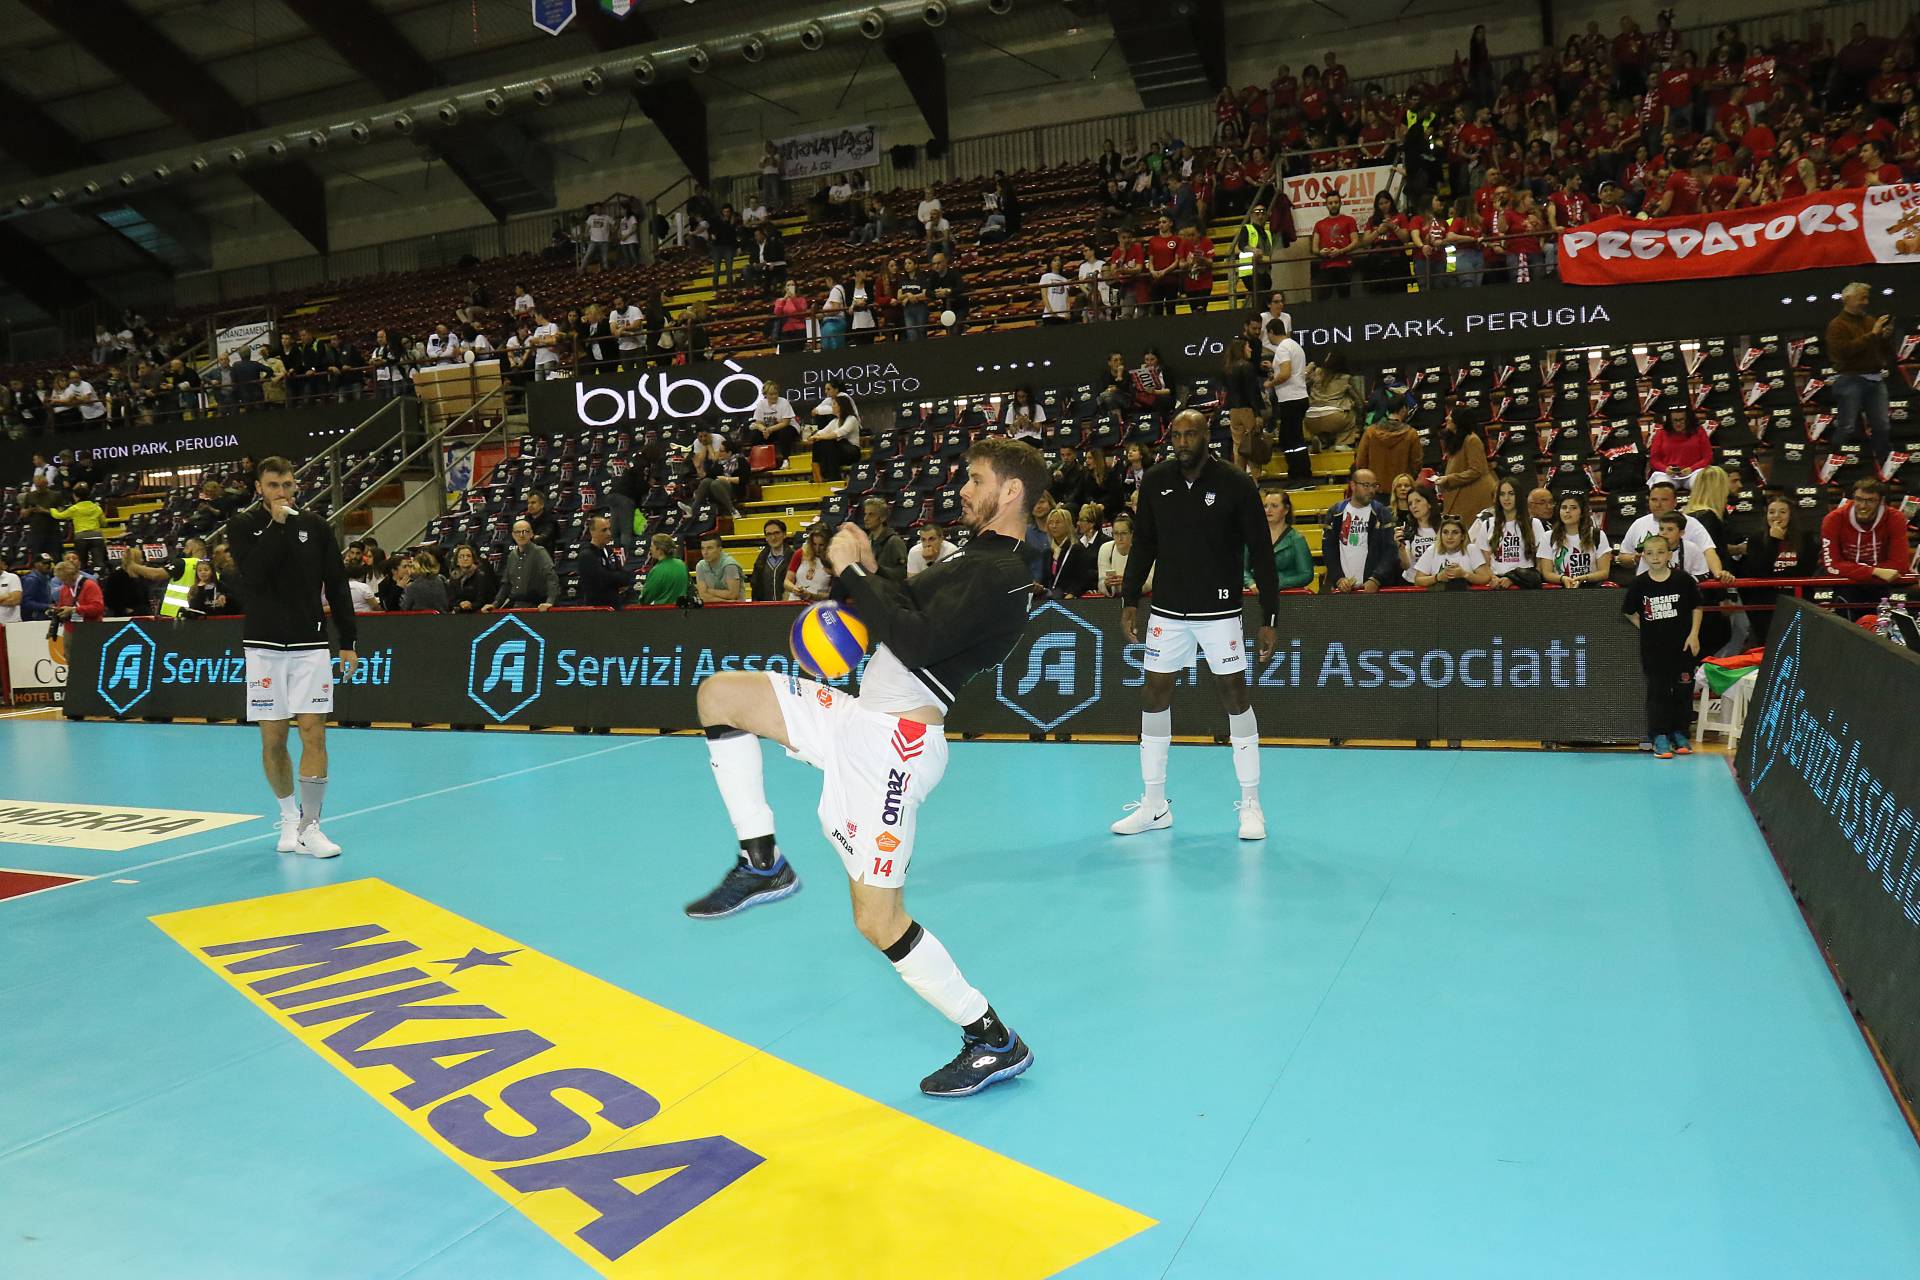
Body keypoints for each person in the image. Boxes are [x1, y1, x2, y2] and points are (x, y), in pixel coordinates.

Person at [683, 438, 1050, 1098]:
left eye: (975, 479)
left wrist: (853, 573)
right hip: (858, 716)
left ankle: (992, 1039)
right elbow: (903, 605)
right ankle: (762, 860)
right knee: (721, 695)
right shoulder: (975, 558)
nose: (963, 490)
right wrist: (869, 571)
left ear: (1012, 490)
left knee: (878, 921)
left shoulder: (1004, 574)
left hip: (894, 747)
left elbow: (917, 640)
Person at [1115, 410, 1279, 841]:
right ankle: (1154, 805)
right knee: (1153, 694)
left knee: (1234, 696)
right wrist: (1130, 599)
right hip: (1168, 610)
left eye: (1191, 434)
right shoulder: (1156, 480)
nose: (1183, 441)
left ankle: (1251, 804)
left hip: (1219, 611)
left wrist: (1269, 615)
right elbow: (1144, 543)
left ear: (1208, 436)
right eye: (1177, 435)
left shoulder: (1236, 483)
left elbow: (1261, 550)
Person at [225, 457, 358, 858]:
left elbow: (337, 584)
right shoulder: (243, 525)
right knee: (274, 738)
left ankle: (310, 825)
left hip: (310, 645)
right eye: (272, 485)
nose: (281, 492)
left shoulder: (315, 526)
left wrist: (348, 640)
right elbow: (252, 575)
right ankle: (287, 817)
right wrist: (276, 527)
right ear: (259, 488)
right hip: (263, 647)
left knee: (314, 732)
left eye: (286, 484)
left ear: (296, 485)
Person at [1621, 534, 1702, 759]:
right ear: (1643, 557)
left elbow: (1697, 607)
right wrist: (1646, 628)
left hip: (1683, 648)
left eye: (1660, 552)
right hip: (1654, 650)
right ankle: (1659, 735)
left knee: (1683, 691)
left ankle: (1680, 733)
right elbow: (1628, 611)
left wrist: (1694, 635)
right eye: (1649, 553)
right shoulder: (1639, 584)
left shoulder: (1683, 580)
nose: (1655, 557)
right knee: (1658, 693)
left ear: (1669, 555)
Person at [1826, 281, 1897, 464]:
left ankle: (1885, 466)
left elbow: (1883, 350)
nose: (1866, 302)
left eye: (1867, 298)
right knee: (1847, 426)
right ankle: (1834, 464)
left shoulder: (1870, 321)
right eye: (1861, 298)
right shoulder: (1837, 325)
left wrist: (1885, 338)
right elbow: (1843, 352)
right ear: (1847, 299)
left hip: (1875, 378)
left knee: (1882, 425)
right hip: (1849, 379)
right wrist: (1872, 335)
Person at [1740, 495, 1818, 644]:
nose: (1776, 516)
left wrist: (1777, 575)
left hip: (1797, 597)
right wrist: (1774, 541)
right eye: (1771, 512)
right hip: (1766, 601)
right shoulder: (1756, 539)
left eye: (1782, 512)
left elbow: (1806, 570)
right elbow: (1759, 571)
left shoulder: (1805, 537)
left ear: (1791, 515)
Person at [1820, 477, 1912, 602]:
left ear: (1881, 501)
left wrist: (1854, 571)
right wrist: (1874, 571)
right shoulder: (1833, 519)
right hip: (1847, 585)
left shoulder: (1895, 518)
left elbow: (1900, 565)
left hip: (1882, 586)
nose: (1863, 506)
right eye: (1859, 499)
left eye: (1870, 500)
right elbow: (1832, 565)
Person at [1617, 481, 1720, 575]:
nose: (1658, 504)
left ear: (1675, 502)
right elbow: (1622, 557)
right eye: (1654, 500)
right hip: (1648, 583)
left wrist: (1718, 573)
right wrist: (1635, 558)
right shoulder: (1639, 523)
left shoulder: (1691, 523)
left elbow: (1708, 551)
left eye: (1664, 500)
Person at [1323, 469, 1399, 592]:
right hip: (1343, 588)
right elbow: (1329, 550)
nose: (1371, 490)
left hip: (1373, 588)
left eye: (1374, 485)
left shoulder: (1382, 513)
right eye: (1366, 485)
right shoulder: (1336, 512)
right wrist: (1339, 578)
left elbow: (1391, 550)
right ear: (1353, 485)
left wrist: (1376, 579)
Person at [1473, 478, 1553, 588]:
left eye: (1511, 493)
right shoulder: (1487, 525)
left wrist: (1512, 580)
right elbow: (1485, 564)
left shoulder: (1533, 523)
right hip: (1497, 584)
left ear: (1518, 496)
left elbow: (1540, 565)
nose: (1506, 498)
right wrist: (1494, 578)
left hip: (1524, 584)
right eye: (1502, 494)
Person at [1265, 319, 1311, 486]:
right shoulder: (1294, 346)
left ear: (1271, 332)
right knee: (1289, 437)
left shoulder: (1283, 348)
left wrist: (1270, 383)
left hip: (1291, 399)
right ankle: (1297, 473)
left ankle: (1301, 475)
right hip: (1298, 396)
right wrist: (1273, 368)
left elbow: (1285, 373)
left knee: (1293, 439)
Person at [1246, 488, 1315, 591]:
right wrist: (1250, 583)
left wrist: (1278, 583)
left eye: (1274, 506)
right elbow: (1242, 568)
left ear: (1286, 510)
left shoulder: (1297, 539)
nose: (1268, 510)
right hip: (1255, 593)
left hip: (1286, 596)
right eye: (1265, 506)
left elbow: (1306, 575)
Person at [483, 520, 559, 611]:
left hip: (536, 605)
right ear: (513, 535)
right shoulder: (512, 555)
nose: (521, 535)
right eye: (517, 532)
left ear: (531, 534)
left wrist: (550, 602)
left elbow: (551, 577)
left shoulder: (539, 552)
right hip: (515, 604)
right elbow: (506, 584)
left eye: (525, 531)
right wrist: (495, 604)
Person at [1436, 406, 1495, 520]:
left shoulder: (1472, 440)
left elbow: (1476, 470)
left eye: (1450, 416)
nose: (1447, 418)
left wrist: (1449, 479)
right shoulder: (1457, 440)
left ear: (1458, 420)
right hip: (1463, 494)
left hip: (1475, 496)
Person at [1544, 494, 1614, 587]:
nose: (1567, 511)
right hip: (1561, 588)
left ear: (1582, 513)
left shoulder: (1597, 535)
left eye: (1573, 508)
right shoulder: (1549, 536)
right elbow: (1546, 573)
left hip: (1590, 588)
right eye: (1564, 508)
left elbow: (1604, 572)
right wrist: (1563, 579)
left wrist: (1583, 578)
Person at [1413, 515, 1492, 589]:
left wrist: (1464, 574)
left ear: (1462, 536)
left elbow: (1485, 578)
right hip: (1439, 597)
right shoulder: (1432, 550)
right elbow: (1418, 580)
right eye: (1445, 532)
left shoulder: (1471, 549)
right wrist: (1438, 577)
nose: (1449, 537)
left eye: (1455, 532)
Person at [575, 515, 632, 608]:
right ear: (592, 532)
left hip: (614, 606)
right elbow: (602, 579)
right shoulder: (587, 555)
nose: (609, 533)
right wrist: (617, 579)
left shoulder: (609, 551)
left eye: (609, 529)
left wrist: (615, 579)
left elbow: (625, 576)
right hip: (597, 609)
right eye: (604, 530)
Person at [1039, 506, 1097, 598]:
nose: (1054, 526)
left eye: (1058, 522)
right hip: (1050, 599)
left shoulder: (1077, 549)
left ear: (1067, 525)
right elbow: (1045, 580)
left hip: (1069, 599)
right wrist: (1039, 588)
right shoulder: (1047, 552)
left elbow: (1083, 579)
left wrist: (1073, 593)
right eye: (1051, 522)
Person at [1647, 410, 1712, 489]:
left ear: (1688, 420)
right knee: (1661, 488)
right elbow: (1654, 460)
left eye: (1681, 420)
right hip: (1668, 474)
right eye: (1675, 420)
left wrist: (1692, 469)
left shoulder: (1699, 431)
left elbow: (1707, 458)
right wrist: (1665, 469)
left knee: (1701, 485)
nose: (1678, 423)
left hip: (1693, 472)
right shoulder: (1661, 433)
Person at [1397, 482, 1444, 579]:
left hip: (1440, 580)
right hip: (1413, 582)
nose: (1413, 506)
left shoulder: (1445, 526)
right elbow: (1406, 566)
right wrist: (1401, 548)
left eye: (1418, 501)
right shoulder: (1407, 529)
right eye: (1410, 504)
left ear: (1429, 503)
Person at [861, 496, 909, 583]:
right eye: (865, 514)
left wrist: (878, 569)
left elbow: (902, 574)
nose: (865, 518)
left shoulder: (894, 542)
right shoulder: (867, 541)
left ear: (883, 518)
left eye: (871, 514)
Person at [637, 534, 690, 605]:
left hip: (663, 610)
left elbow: (645, 599)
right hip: (682, 609)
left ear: (660, 550)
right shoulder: (682, 564)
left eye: (652, 546)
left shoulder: (657, 570)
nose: (650, 549)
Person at [785, 524, 834, 602]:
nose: (817, 549)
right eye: (814, 544)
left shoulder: (833, 561)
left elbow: (832, 595)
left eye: (821, 545)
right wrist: (794, 589)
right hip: (795, 602)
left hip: (818, 605)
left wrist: (811, 596)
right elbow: (787, 581)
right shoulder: (800, 553)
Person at [694, 535, 745, 603]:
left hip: (735, 607)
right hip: (712, 607)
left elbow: (733, 595)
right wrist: (724, 601)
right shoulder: (700, 566)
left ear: (720, 549)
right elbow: (702, 596)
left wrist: (708, 591)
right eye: (702, 548)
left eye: (710, 548)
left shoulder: (730, 565)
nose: (705, 552)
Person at [751, 519, 792, 601]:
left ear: (784, 534)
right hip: (766, 607)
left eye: (777, 533)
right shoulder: (760, 560)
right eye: (769, 534)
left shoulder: (793, 557)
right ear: (766, 537)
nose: (773, 538)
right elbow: (755, 587)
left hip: (789, 606)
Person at [447, 544, 494, 613]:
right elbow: (451, 600)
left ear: (473, 559)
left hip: (478, 613)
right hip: (459, 613)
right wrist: (460, 604)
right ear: (457, 562)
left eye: (468, 556)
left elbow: (482, 600)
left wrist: (470, 605)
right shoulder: (453, 577)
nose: (465, 559)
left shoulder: (481, 576)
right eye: (461, 556)